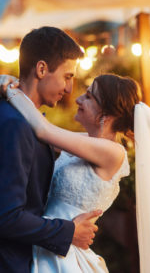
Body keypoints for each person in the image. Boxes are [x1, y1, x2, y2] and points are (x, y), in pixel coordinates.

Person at [3, 73, 150, 273]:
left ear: (106, 114)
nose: (78, 99)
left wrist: (11, 91)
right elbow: (40, 133)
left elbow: (44, 131)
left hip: (64, 254)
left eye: (88, 97)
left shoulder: (112, 152)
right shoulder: (83, 142)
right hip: (47, 239)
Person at [0, 27, 100, 273]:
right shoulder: (15, 125)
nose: (69, 89)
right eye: (67, 76)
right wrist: (69, 232)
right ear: (42, 69)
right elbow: (6, 216)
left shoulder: (21, 118)